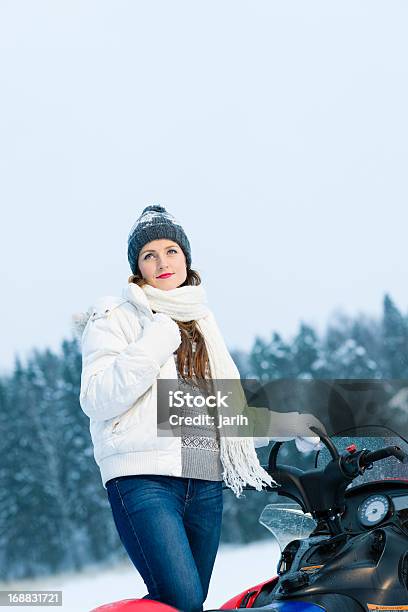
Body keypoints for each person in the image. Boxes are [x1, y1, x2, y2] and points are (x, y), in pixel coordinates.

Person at [77, 204, 324, 612]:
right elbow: (99, 399)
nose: (162, 262)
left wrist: (288, 424)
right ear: (137, 267)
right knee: (182, 599)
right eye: (149, 254)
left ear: (186, 257)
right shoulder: (116, 316)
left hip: (204, 481)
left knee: (188, 605)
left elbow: (223, 412)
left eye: (171, 250)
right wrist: (157, 338)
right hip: (145, 480)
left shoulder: (202, 321)